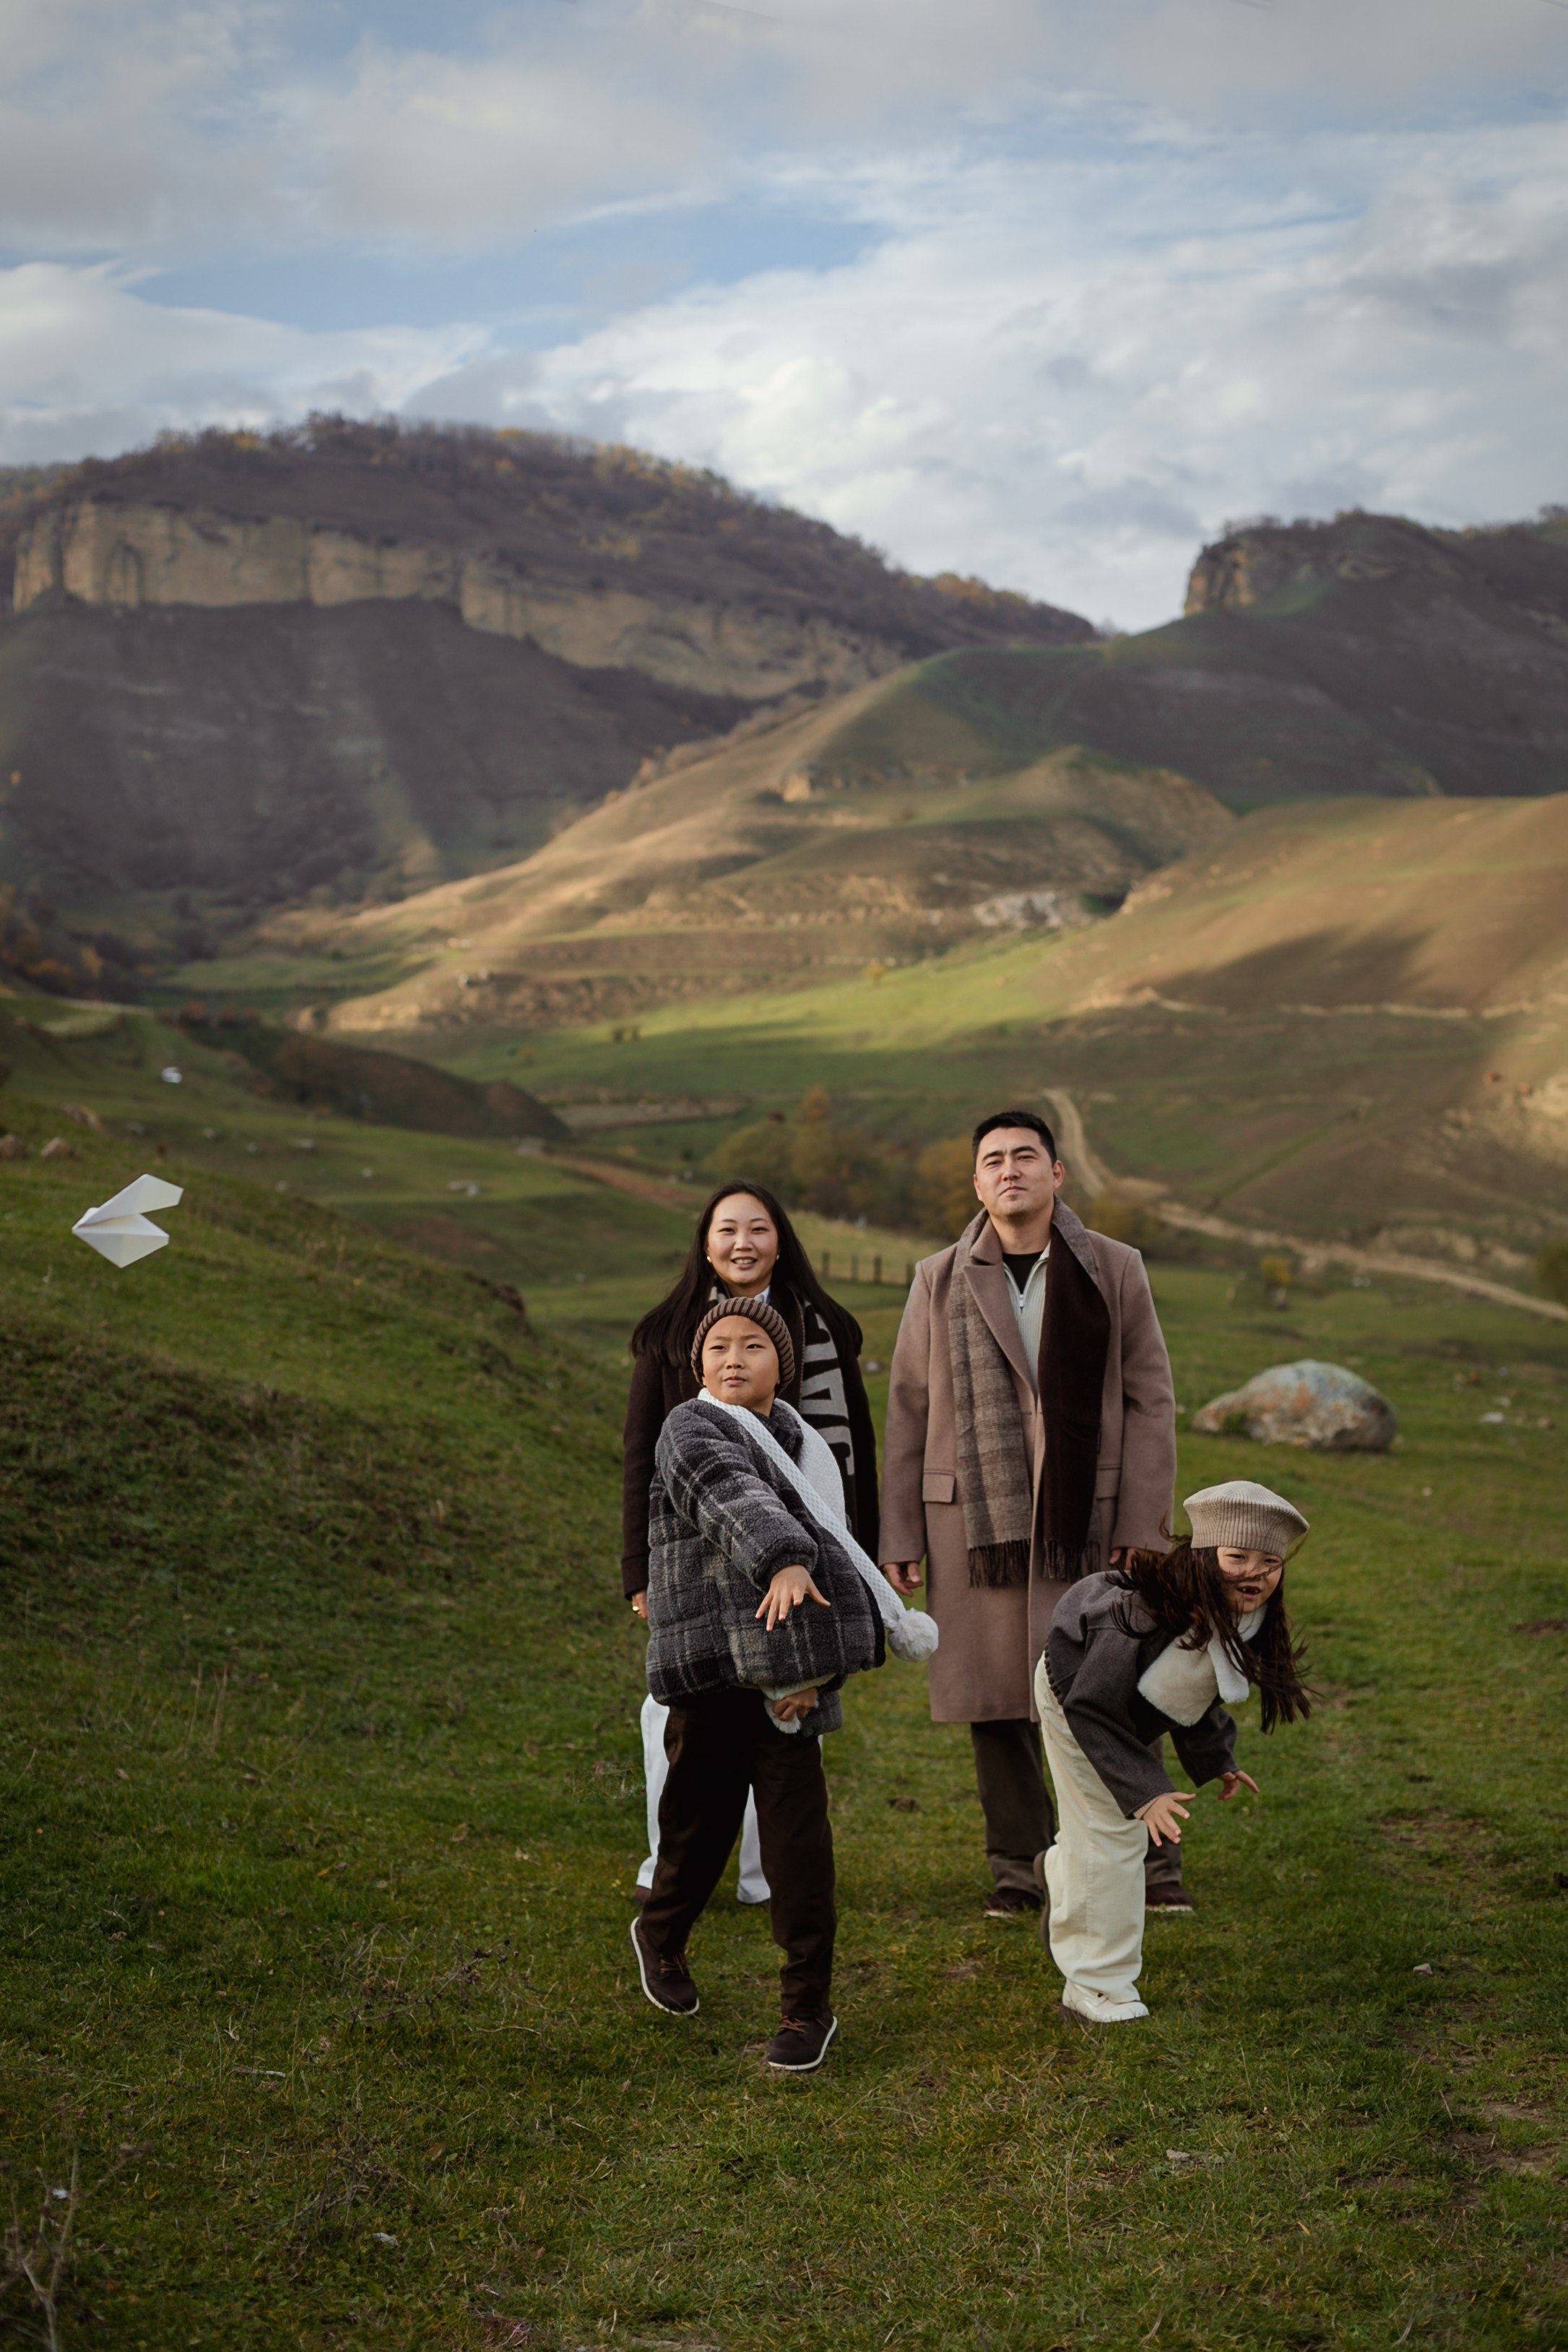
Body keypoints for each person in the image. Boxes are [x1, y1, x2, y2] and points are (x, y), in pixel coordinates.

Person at [880, 1109, 1181, 1918]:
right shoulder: (935, 1277)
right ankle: (1020, 1871)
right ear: (976, 1183)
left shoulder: (1114, 1268)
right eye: (992, 1160)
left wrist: (1144, 1526)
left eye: (1024, 1155)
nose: (1008, 1168)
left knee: (1113, 1685)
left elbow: (1150, 1400)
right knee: (997, 1701)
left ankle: (1150, 1865)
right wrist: (900, 1532)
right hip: (974, 1527)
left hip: (1093, 1516)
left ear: (1056, 1174)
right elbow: (907, 1408)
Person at [631, 1297, 930, 2072]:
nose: (733, 1357)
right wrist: (782, 1556)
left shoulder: (808, 1445)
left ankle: (807, 2006)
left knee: (801, 1847)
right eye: (718, 1346)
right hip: (710, 1672)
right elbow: (727, 1492)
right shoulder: (687, 1429)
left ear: (782, 1367)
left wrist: (819, 1676)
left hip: (787, 1683)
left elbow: (841, 1557)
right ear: (699, 1364)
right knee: (697, 1832)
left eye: (753, 1346)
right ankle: (660, 1934)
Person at [623, 1182, 879, 1905]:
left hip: (807, 1552)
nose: (742, 1242)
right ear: (705, 1241)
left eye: (758, 1228)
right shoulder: (669, 1329)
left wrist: (869, 1555)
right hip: (693, 1557)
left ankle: (764, 1876)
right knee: (672, 1710)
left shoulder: (823, 1325)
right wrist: (634, 1569)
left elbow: (849, 1446)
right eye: (726, 1228)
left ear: (780, 1238)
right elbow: (642, 1453)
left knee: (792, 1700)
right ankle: (666, 1869)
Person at [1036, 1479, 1312, 2021]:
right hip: (1075, 1698)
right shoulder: (1138, 1618)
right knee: (1115, 1837)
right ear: (1205, 1556)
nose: (1254, 1573)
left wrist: (1217, 1760)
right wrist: (1145, 1792)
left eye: (1269, 1562)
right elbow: (1092, 1707)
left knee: (1098, 1836)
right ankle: (1095, 1987)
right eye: (1237, 1556)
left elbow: (1193, 1690)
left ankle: (1066, 1872)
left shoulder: (1237, 1609)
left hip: (1116, 1710)